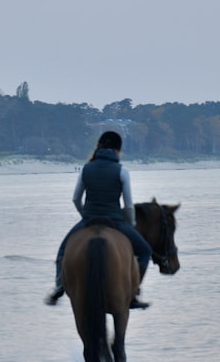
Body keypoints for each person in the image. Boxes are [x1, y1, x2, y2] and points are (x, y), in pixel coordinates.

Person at [47, 131, 153, 309]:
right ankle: (133, 293)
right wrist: (132, 224)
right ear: (118, 150)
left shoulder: (86, 169)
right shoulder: (122, 172)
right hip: (114, 220)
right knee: (145, 251)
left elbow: (75, 199)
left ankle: (59, 287)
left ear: (98, 147)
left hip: (89, 219)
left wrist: (85, 216)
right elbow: (128, 206)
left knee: (62, 253)